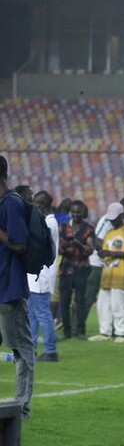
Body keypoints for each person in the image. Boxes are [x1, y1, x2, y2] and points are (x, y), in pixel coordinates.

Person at [0, 156, 35, 419]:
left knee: (21, 349)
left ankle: (21, 407)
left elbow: (20, 244)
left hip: (9, 287)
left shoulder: (12, 203)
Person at [89, 202, 124, 342]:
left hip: (120, 274)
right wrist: (104, 253)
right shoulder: (109, 233)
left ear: (121, 215)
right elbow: (105, 250)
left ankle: (121, 333)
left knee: (119, 305)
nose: (112, 220)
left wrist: (111, 253)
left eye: (115, 218)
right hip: (107, 274)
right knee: (103, 305)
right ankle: (105, 332)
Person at [27, 191, 59, 362]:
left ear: (45, 205)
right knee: (32, 314)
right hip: (36, 276)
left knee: (43, 314)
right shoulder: (47, 221)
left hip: (42, 275)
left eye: (37, 205)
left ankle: (50, 350)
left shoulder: (49, 223)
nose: (35, 207)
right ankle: (31, 348)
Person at [58, 200, 95, 339]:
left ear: (83, 212)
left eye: (78, 212)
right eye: (73, 211)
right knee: (65, 301)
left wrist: (77, 243)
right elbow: (60, 248)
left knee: (81, 301)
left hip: (81, 268)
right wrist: (68, 246)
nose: (76, 214)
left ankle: (80, 331)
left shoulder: (89, 229)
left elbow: (90, 250)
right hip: (66, 268)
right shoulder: (63, 227)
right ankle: (67, 332)